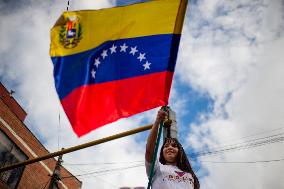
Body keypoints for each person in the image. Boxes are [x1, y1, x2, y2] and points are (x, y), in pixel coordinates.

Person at [145, 108, 200, 189]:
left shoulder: (190, 175)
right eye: (166, 146)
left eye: (174, 146)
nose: (170, 147)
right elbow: (149, 151)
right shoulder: (157, 168)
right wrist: (157, 121)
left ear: (180, 152)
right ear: (162, 152)